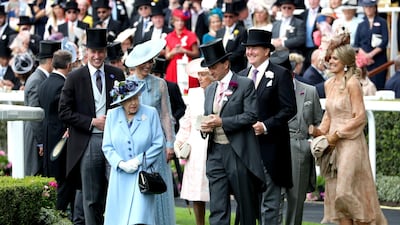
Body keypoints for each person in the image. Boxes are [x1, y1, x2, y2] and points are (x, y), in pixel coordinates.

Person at [309, 43, 388, 225]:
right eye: (330, 58)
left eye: (335, 58)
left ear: (345, 61)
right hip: (333, 144)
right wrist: (319, 132)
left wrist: (337, 134)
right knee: (336, 190)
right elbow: (329, 114)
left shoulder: (353, 83)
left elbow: (360, 117)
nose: (331, 61)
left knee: (346, 191)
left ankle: (366, 220)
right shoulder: (329, 84)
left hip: (351, 141)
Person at [58, 28, 125, 225]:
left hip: (113, 140)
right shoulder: (74, 77)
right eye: (93, 52)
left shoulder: (117, 74)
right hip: (88, 141)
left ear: (105, 52)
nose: (97, 56)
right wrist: (91, 122)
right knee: (90, 197)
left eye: (101, 51)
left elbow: (126, 105)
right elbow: (64, 112)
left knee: (116, 191)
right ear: (86, 52)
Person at [199, 38, 266, 225]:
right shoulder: (210, 89)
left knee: (245, 206)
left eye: (213, 66)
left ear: (226, 64)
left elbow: (251, 116)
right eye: (208, 66)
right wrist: (205, 128)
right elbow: (208, 117)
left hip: (237, 151)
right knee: (217, 207)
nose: (210, 71)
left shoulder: (244, 84)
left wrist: (222, 121)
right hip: (215, 152)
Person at [239, 29, 297, 225]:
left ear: (266, 51)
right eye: (248, 48)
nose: (249, 52)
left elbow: (289, 109)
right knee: (247, 203)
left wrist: (265, 126)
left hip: (270, 150)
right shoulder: (240, 76)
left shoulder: (280, 74)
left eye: (254, 48)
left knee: (270, 205)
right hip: (244, 150)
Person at [125, 39, 176, 225]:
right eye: (144, 62)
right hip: (135, 144)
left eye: (150, 61)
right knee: (136, 188)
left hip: (156, 143)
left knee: (157, 186)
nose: (148, 65)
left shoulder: (160, 84)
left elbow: (166, 115)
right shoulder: (126, 84)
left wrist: (170, 143)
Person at [102, 79, 164, 225]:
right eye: (129, 99)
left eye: (136, 97)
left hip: (142, 176)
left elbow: (158, 142)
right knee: (118, 220)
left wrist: (139, 160)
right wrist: (120, 163)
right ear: (121, 101)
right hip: (120, 177)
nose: (133, 103)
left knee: (140, 219)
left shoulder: (150, 113)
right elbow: (107, 146)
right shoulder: (112, 115)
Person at [174, 58, 213, 225]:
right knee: (197, 193)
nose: (200, 78)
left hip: (214, 144)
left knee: (216, 191)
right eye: (199, 75)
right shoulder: (194, 93)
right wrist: (179, 142)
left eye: (204, 74)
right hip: (196, 147)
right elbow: (186, 121)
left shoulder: (221, 90)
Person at [38, 49, 76, 214]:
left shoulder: (44, 83)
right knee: (64, 179)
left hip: (47, 135)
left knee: (52, 179)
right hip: (61, 137)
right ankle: (57, 214)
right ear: (68, 65)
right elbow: (65, 112)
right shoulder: (63, 85)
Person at [285, 73, 323, 225]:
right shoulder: (268, 89)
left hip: (300, 148)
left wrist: (312, 138)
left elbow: (320, 121)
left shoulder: (309, 91)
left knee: (296, 199)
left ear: (293, 74)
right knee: (271, 199)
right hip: (274, 146)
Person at [24, 40, 61, 176]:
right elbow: (34, 115)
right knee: (35, 173)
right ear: (51, 61)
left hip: (40, 136)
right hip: (35, 137)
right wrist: (41, 142)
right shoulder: (36, 80)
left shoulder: (40, 78)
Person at [354, 0, 388, 90]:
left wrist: (371, 55)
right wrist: (365, 56)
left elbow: (384, 41)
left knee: (378, 84)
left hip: (378, 59)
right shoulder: (361, 25)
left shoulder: (382, 22)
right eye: (366, 7)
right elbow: (357, 43)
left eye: (370, 7)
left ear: (374, 8)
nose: (368, 9)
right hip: (364, 61)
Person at [165, 8, 200, 89]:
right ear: (173, 22)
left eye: (182, 21)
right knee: (173, 90)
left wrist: (184, 51)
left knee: (189, 89)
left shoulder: (190, 35)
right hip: (174, 68)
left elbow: (196, 53)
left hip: (188, 66)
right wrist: (173, 52)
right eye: (177, 21)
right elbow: (167, 56)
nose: (179, 23)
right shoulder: (169, 36)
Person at [215, 3, 248, 73]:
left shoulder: (242, 31)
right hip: (221, 67)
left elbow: (241, 50)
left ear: (235, 18)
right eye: (225, 16)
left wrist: (226, 60)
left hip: (236, 67)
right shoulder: (219, 32)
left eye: (230, 17)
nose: (228, 19)